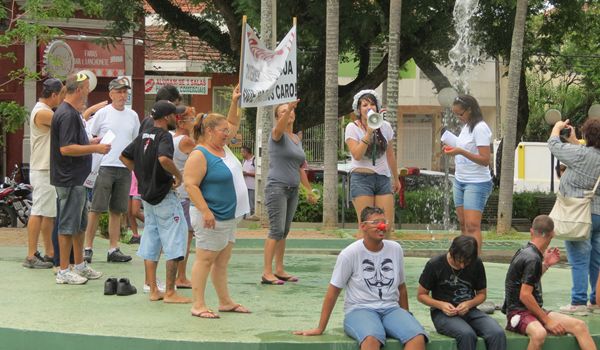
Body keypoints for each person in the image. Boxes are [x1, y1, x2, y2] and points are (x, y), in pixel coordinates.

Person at [294, 206, 428, 350]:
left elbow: (401, 287)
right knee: (371, 339)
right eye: (375, 222)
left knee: (417, 337)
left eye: (384, 222)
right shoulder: (349, 254)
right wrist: (320, 328)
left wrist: (405, 315)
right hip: (360, 310)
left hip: (391, 309)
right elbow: (333, 292)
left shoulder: (395, 249)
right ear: (363, 226)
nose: (382, 226)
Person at [186, 85, 251, 319]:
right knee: (205, 259)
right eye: (223, 131)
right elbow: (190, 185)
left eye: (227, 130)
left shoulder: (221, 147)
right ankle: (198, 304)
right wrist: (205, 211)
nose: (229, 134)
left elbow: (233, 123)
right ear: (210, 131)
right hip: (212, 216)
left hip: (229, 216)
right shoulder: (200, 154)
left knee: (222, 261)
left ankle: (225, 301)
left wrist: (234, 101)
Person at [120, 100, 191, 304]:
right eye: (174, 116)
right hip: (163, 196)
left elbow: (124, 156)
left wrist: (141, 174)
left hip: (147, 198)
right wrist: (178, 176)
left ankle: (153, 290)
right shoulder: (164, 136)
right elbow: (163, 159)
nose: (175, 119)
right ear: (167, 117)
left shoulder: (143, 135)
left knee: (151, 240)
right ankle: (170, 292)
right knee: (176, 240)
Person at [503, 215, 596, 350]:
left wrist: (546, 264)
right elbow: (525, 295)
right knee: (539, 334)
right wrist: (547, 321)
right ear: (551, 234)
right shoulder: (532, 258)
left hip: (533, 311)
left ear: (531, 231)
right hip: (518, 313)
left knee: (579, 326)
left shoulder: (527, 251)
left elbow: (528, 281)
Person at [50, 72, 109, 284]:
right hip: (69, 179)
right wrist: (96, 147)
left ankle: (79, 264)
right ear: (77, 90)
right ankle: (63, 271)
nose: (87, 93)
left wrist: (92, 141)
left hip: (78, 178)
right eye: (86, 89)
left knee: (80, 224)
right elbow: (66, 148)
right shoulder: (66, 114)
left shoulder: (72, 113)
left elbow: (74, 142)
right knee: (67, 225)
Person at [83, 77, 140, 264]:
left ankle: (113, 248)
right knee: (97, 208)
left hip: (124, 168)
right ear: (111, 94)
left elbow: (134, 141)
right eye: (119, 91)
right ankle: (88, 248)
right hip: (105, 165)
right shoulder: (103, 113)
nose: (123, 95)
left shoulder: (132, 115)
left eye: (125, 92)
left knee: (117, 210)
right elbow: (92, 135)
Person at [548, 118, 600, 315]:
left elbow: (553, 145)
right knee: (596, 260)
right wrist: (575, 140)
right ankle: (596, 300)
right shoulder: (584, 152)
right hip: (598, 214)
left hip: (577, 215)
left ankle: (578, 302)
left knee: (579, 259)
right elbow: (589, 154)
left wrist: (557, 128)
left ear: (588, 136)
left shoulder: (580, 154)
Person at [417, 235, 506, 350]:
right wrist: (441, 305)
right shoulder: (435, 264)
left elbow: (482, 294)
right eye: (459, 261)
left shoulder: (476, 263)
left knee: (497, 333)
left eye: (467, 262)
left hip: (470, 311)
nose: (462, 265)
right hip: (442, 314)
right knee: (466, 334)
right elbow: (421, 295)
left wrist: (469, 304)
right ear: (452, 251)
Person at [262, 100, 317, 285]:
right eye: (284, 111)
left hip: (292, 190)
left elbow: (300, 167)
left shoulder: (296, 139)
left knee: (284, 231)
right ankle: (267, 272)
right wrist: (290, 108)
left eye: (291, 110)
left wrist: (308, 190)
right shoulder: (277, 135)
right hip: (277, 188)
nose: (289, 113)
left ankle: (279, 268)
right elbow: (279, 129)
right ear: (278, 117)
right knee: (276, 230)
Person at [344, 90, 399, 236]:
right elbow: (357, 154)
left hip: (382, 178)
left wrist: (396, 178)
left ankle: (386, 258)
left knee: (385, 226)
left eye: (372, 104)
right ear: (358, 109)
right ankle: (361, 258)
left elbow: (390, 154)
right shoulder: (352, 128)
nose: (369, 107)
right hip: (361, 178)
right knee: (366, 227)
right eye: (365, 104)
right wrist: (368, 133)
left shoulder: (385, 126)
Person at [443, 94, 493, 254]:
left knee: (472, 225)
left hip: (476, 182)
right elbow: (464, 146)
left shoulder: (480, 128)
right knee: (464, 224)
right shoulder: (466, 127)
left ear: (470, 110)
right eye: (456, 114)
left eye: (461, 114)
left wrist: (460, 151)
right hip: (460, 180)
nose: (459, 117)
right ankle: (464, 258)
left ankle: (474, 263)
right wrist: (453, 146)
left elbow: (486, 160)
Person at [23, 78, 64, 269]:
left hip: (47, 167)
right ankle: (31, 255)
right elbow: (64, 123)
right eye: (61, 95)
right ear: (54, 95)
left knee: (49, 213)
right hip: (43, 168)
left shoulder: (45, 110)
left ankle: (50, 251)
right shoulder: (42, 112)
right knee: (39, 211)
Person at [172, 105, 196, 289]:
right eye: (191, 118)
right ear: (181, 122)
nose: (194, 121)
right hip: (183, 193)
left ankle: (179, 275)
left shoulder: (171, 137)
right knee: (186, 235)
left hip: (175, 192)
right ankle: (181, 275)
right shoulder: (186, 141)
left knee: (180, 234)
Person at [241, 145, 258, 219]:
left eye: (242, 152)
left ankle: (253, 218)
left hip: (252, 187)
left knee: (252, 204)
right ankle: (244, 218)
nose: (241, 153)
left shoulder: (255, 160)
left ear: (246, 152)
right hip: (245, 186)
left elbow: (258, 174)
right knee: (244, 203)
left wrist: (247, 173)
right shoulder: (244, 161)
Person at [127, 171, 144, 244]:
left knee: (135, 212)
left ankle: (152, 225)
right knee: (129, 212)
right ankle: (135, 235)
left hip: (138, 187)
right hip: (128, 185)